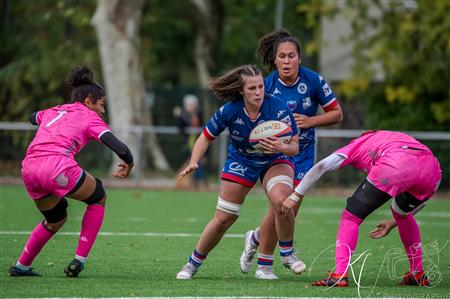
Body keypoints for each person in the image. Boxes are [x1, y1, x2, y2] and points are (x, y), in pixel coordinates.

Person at [176, 64, 301, 280]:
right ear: (242, 90)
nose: (258, 92)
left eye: (261, 86)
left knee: (282, 200)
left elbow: (294, 147)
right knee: (224, 218)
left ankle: (286, 253)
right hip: (242, 160)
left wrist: (281, 147)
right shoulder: (230, 110)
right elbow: (205, 136)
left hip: (275, 159)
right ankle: (192, 263)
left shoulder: (278, 107)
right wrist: (194, 161)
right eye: (252, 88)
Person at [8, 66, 134, 278]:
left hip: (29, 169)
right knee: (99, 197)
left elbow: (32, 117)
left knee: (55, 219)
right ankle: (79, 260)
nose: (103, 111)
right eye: (101, 105)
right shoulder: (89, 116)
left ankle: (21, 266)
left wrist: (50, 116)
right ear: (88, 101)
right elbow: (120, 148)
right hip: (57, 166)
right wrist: (129, 163)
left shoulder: (54, 111)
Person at [240, 29, 343, 277]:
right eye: (282, 57)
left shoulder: (314, 81)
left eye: (291, 56)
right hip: (278, 156)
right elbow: (254, 121)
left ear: (299, 58)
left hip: (304, 153)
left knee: (289, 209)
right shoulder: (266, 86)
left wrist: (309, 121)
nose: (286, 61)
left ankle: (255, 238)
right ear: (275, 60)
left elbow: (337, 114)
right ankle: (265, 265)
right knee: (283, 206)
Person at [281, 130, 442, 287]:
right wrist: (393, 222)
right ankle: (417, 273)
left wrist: (295, 196)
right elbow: (421, 199)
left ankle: (340, 275)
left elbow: (321, 166)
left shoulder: (358, 144)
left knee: (351, 216)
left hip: (396, 163)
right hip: (433, 170)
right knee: (402, 214)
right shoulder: (393, 138)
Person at [174, 94, 208, 190]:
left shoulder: (199, 114)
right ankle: (196, 186)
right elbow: (180, 127)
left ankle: (201, 185)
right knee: (194, 166)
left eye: (193, 104)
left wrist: (206, 154)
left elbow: (205, 135)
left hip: (199, 146)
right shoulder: (183, 116)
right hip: (189, 147)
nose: (192, 106)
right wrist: (179, 115)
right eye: (190, 104)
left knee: (198, 166)